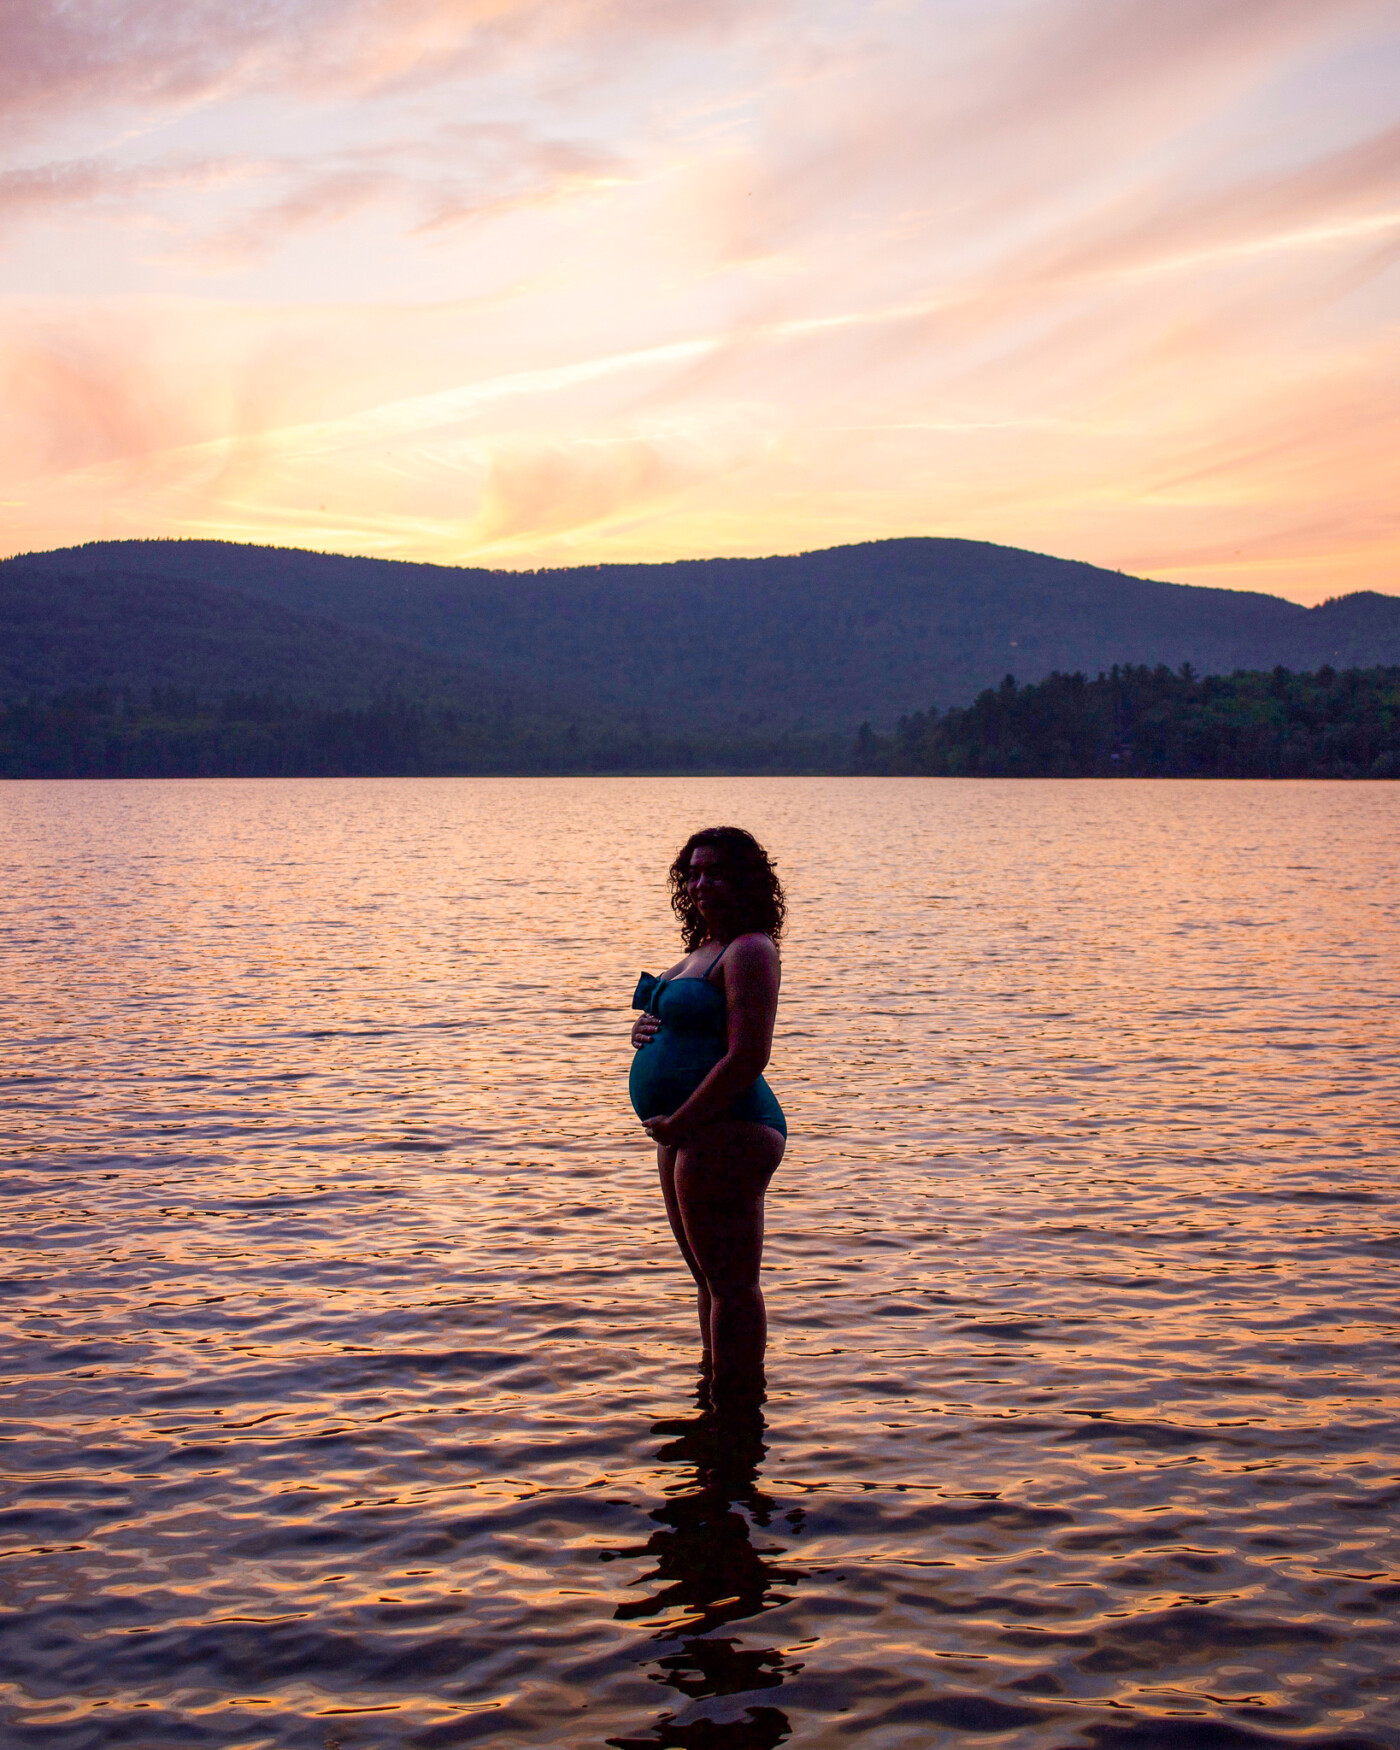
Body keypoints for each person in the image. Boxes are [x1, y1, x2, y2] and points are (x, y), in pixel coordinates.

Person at [629, 826, 787, 1406]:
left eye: (716, 871)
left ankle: (739, 1412)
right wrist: (644, 1028)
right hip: (685, 1132)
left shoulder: (749, 949)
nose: (700, 883)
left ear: (746, 880)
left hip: (728, 1127)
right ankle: (714, 1400)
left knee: (733, 1285)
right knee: (708, 1281)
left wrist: (684, 1120)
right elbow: (686, 1025)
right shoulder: (698, 952)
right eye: (692, 872)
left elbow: (748, 1055)